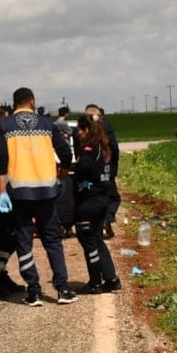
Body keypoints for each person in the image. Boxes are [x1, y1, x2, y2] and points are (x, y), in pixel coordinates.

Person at [0, 88, 77, 306]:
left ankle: (34, 291)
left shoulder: (5, 126)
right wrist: (63, 173)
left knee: (24, 241)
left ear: (14, 104)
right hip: (46, 192)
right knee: (52, 241)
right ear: (32, 102)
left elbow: (0, 160)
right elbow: (65, 151)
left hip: (19, 192)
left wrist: (2, 191)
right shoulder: (46, 124)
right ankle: (62, 289)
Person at [73, 117, 122, 294]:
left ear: (86, 130)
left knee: (88, 242)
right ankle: (111, 278)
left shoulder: (88, 149)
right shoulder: (103, 147)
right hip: (102, 199)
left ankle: (95, 282)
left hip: (88, 202)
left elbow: (84, 169)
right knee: (97, 240)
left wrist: (78, 177)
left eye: (79, 129)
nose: (77, 133)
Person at [0, 106, 24, 297]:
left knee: (2, 238)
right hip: (1, 196)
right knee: (9, 238)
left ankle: (0, 275)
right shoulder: (0, 142)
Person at [83, 104, 121, 238]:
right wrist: (114, 167)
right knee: (113, 197)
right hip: (105, 166)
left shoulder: (82, 127)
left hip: (87, 168)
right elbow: (114, 148)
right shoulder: (106, 126)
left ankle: (93, 224)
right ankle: (106, 219)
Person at [53, 106, 76, 238]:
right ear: (65, 114)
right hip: (66, 153)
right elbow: (70, 134)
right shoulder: (64, 124)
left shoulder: (54, 123)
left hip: (56, 156)